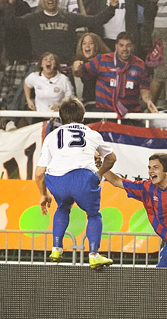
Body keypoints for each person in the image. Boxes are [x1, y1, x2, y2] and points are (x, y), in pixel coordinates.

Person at [35, 96, 117, 269]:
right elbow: (111, 158)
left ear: (61, 118)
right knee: (94, 214)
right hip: (83, 178)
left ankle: (56, 248)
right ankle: (94, 255)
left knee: (62, 207)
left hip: (57, 179)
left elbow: (39, 173)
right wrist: (99, 174)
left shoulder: (51, 136)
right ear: (82, 117)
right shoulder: (92, 134)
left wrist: (44, 194)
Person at [103, 153, 167, 268]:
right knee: (158, 283)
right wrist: (101, 167)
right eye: (149, 167)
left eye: (155, 167)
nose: (151, 171)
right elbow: (117, 181)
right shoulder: (147, 188)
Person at [73, 31, 158, 119]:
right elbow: (80, 72)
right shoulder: (102, 60)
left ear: (133, 47)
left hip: (130, 114)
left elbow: (144, 89)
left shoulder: (141, 65)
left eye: (128, 45)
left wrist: (148, 101)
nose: (125, 49)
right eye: (121, 45)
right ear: (116, 46)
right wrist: (76, 68)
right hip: (104, 113)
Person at [73, 32, 110, 111]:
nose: (87, 46)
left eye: (91, 43)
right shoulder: (79, 63)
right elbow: (78, 72)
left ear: (97, 46)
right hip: (86, 107)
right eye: (84, 43)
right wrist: (76, 69)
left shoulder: (106, 63)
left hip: (103, 107)